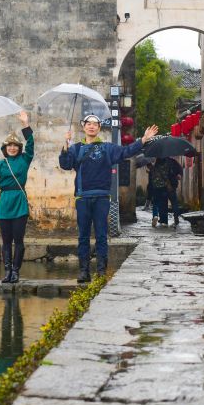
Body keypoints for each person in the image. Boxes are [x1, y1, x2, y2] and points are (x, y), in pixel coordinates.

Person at [60, 115, 157, 283]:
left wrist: (143, 140)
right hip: (82, 197)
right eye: (88, 124)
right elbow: (66, 164)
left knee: (101, 235)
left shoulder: (107, 148)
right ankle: (83, 271)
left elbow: (126, 151)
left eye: (95, 124)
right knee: (83, 236)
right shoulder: (76, 148)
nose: (91, 127)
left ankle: (101, 271)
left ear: (99, 128)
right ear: (83, 127)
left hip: (102, 197)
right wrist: (65, 145)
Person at [0, 110, 34, 283]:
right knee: (6, 240)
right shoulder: (1, 163)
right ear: (5, 148)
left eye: (15, 145)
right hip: (5, 202)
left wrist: (25, 124)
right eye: (9, 146)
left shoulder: (25, 159)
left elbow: (31, 143)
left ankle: (16, 271)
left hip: (19, 200)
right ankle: (7, 270)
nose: (13, 148)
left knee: (18, 239)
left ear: (19, 148)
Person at [148, 157, 172, 228]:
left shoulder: (154, 168)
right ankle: (164, 221)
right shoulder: (165, 168)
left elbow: (151, 176)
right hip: (163, 188)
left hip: (155, 188)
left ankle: (155, 215)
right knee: (164, 204)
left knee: (155, 203)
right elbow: (166, 177)